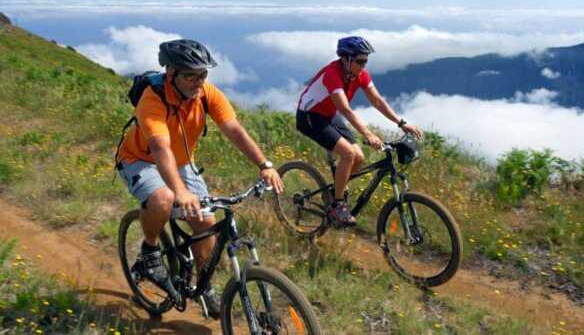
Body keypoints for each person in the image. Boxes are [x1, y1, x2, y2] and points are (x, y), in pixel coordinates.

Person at [116, 39, 283, 319]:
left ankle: (204, 284)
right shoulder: (152, 100)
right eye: (190, 75)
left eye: (203, 74)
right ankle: (149, 253)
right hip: (139, 160)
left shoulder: (207, 94)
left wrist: (264, 164)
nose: (198, 81)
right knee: (163, 199)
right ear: (170, 74)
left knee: (205, 223)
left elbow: (234, 130)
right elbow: (159, 148)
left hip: (180, 163)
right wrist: (180, 191)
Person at [296, 36, 422, 227]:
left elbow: (377, 100)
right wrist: (368, 134)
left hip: (329, 114)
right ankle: (337, 206)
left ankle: (333, 193)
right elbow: (345, 109)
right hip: (309, 116)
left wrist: (401, 122)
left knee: (359, 157)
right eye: (360, 61)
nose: (363, 65)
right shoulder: (332, 74)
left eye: (366, 61)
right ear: (346, 59)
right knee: (348, 154)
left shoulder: (360, 75)